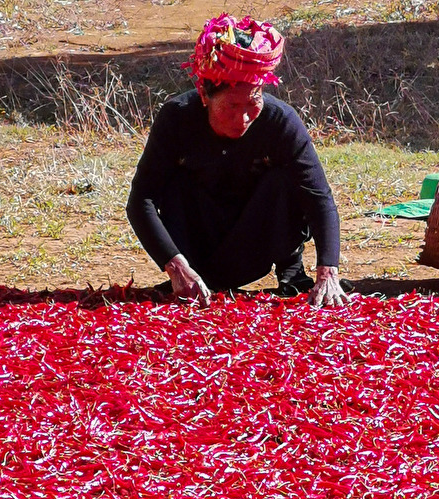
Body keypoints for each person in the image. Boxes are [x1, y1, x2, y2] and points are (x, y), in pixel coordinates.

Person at [126, 14, 349, 309]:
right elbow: (140, 200)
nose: (242, 118)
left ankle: (291, 268)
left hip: (256, 242)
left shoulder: (280, 122)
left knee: (285, 179)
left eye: (253, 103)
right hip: (196, 246)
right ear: (205, 95)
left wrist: (328, 272)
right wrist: (175, 265)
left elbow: (319, 198)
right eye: (231, 106)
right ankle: (190, 276)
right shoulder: (177, 119)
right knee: (174, 181)